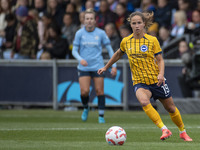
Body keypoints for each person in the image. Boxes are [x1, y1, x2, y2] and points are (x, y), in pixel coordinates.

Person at [98, 11, 193, 141]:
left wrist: (161, 74)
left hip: (156, 80)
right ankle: (164, 129)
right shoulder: (126, 41)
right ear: (130, 25)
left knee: (171, 108)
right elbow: (118, 54)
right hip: (140, 82)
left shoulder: (152, 40)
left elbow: (160, 60)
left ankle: (183, 132)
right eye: (134, 23)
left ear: (144, 24)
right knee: (144, 101)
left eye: (139, 23)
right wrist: (106, 66)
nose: (136, 26)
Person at [72, 8, 117, 124]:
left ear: (95, 20)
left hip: (98, 66)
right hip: (84, 67)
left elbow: (110, 50)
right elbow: (74, 51)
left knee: (99, 91)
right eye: (87, 19)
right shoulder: (79, 33)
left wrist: (114, 65)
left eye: (91, 18)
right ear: (84, 20)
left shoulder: (101, 33)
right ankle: (86, 107)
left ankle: (101, 116)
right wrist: (80, 59)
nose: (89, 21)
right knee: (84, 92)